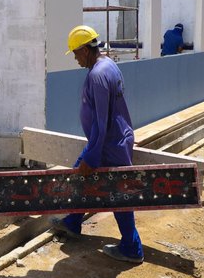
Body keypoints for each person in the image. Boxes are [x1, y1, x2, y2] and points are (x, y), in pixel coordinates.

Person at [50, 25, 144, 264]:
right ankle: (72, 221)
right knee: (80, 177)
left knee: (118, 194)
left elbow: (102, 122)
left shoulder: (97, 75)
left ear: (85, 49)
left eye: (75, 52)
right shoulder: (108, 65)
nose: (75, 57)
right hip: (106, 140)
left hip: (108, 144)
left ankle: (132, 248)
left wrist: (92, 158)